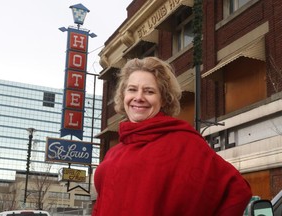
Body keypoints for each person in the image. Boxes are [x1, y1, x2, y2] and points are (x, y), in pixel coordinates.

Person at [92, 57, 252, 216]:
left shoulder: (184, 142)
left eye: (149, 91)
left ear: (163, 99)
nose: (138, 97)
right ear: (123, 95)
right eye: (132, 89)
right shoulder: (115, 152)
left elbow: (236, 191)